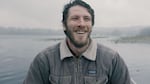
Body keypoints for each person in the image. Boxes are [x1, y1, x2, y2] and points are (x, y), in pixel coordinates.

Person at [24, 0, 135, 84]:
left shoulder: (112, 59)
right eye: (75, 18)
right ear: (64, 25)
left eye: (86, 19)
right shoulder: (44, 60)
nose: (81, 24)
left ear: (91, 25)